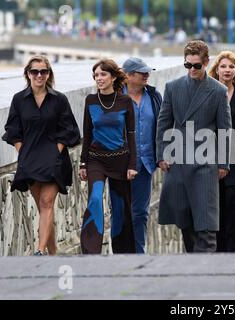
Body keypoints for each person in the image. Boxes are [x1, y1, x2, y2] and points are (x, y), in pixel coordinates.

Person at [156, 40, 232, 253]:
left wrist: (223, 162)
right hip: (178, 161)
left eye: (196, 66)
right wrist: (162, 153)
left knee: (206, 224)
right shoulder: (173, 87)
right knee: (185, 221)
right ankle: (194, 266)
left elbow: (225, 130)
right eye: (187, 65)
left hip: (205, 163)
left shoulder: (218, 91)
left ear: (207, 63)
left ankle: (206, 269)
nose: (191, 70)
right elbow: (163, 122)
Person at [2, 55, 81, 256]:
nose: (39, 75)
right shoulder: (19, 99)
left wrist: (57, 150)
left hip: (54, 159)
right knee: (43, 208)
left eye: (43, 71)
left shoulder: (59, 99)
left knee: (47, 203)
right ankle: (53, 254)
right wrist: (23, 152)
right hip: (30, 159)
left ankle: (39, 250)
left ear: (48, 74)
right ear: (27, 74)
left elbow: (70, 128)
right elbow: (13, 129)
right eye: (34, 71)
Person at [79, 59, 137, 254]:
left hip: (120, 160)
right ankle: (90, 252)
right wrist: (83, 163)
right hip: (96, 160)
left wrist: (132, 164)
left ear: (113, 77)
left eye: (103, 74)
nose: (99, 78)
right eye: (96, 75)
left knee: (120, 207)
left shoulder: (125, 101)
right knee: (95, 199)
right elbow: (87, 134)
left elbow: (131, 136)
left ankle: (124, 252)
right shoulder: (90, 101)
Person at [209, 51, 235, 252]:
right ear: (216, 69)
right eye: (223, 66)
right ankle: (218, 250)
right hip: (211, 157)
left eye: (231, 67)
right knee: (215, 205)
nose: (227, 70)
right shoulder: (207, 92)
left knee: (234, 203)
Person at [121, 57, 162, 254]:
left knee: (140, 213)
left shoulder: (154, 96)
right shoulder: (115, 97)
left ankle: (138, 253)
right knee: (121, 212)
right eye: (141, 72)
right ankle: (121, 252)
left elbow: (162, 127)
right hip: (120, 164)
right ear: (128, 76)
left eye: (147, 72)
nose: (146, 75)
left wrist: (162, 154)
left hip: (145, 163)